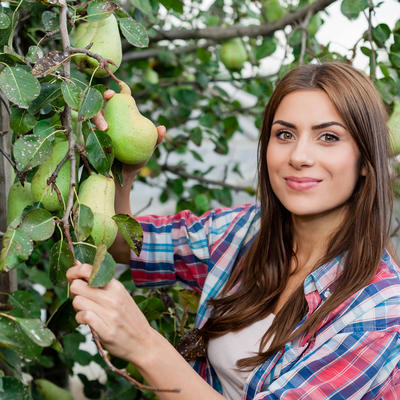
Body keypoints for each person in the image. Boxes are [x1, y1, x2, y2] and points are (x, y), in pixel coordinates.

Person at [66, 62, 400, 399]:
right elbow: (127, 246)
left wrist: (142, 343)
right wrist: (121, 167)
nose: (299, 156)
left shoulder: (379, 311)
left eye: (328, 137)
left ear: (365, 161)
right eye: (284, 134)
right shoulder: (244, 231)